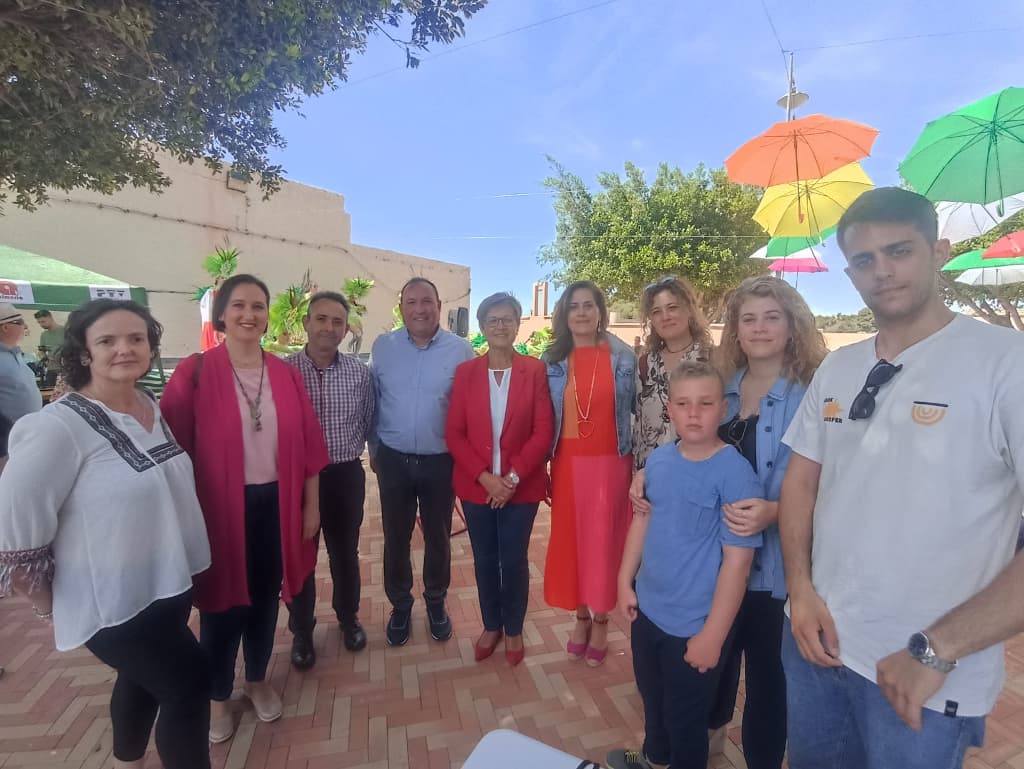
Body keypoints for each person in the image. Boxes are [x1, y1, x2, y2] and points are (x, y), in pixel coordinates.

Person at [779, 187, 1024, 769]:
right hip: (818, 643)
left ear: (938, 251)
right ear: (849, 272)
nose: (882, 272)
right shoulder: (839, 365)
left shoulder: (1005, 363)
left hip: (926, 676)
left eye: (899, 251)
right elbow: (800, 484)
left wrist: (936, 650)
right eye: (864, 261)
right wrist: (800, 591)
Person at [0, 299, 212, 769]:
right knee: (190, 682)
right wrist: (53, 606)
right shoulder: (56, 428)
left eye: (137, 339)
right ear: (83, 353)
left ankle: (125, 761)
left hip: (165, 585)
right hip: (110, 602)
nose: (125, 349)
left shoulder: (148, 406)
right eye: (107, 341)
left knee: (140, 681)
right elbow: (16, 537)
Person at [161, 274, 329, 744]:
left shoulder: (284, 373)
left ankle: (256, 679)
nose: (249, 315)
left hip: (278, 504)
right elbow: (172, 454)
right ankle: (218, 695)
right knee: (221, 605)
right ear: (222, 313)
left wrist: (310, 506)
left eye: (259, 305)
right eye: (239, 305)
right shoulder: (193, 373)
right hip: (217, 511)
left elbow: (310, 446)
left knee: (263, 599)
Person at [606, 361, 763, 769]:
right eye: (683, 403)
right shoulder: (658, 461)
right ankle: (653, 758)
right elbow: (642, 520)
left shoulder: (734, 473)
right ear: (669, 409)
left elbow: (738, 565)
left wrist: (713, 636)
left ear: (723, 409)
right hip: (650, 613)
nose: (693, 413)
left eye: (705, 403)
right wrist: (625, 582)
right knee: (653, 704)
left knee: (685, 722)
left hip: (694, 624)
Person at [708, 276, 826, 767]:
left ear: (792, 324)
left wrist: (777, 511)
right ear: (734, 329)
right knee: (711, 668)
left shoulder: (814, 395)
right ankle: (703, 753)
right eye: (748, 318)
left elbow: (839, 485)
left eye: (771, 317)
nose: (759, 328)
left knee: (767, 686)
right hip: (715, 563)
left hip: (777, 574)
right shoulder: (721, 392)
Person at [446, 292, 554, 666]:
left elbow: (543, 431)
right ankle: (491, 625)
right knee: (484, 559)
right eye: (492, 319)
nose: (500, 325)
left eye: (508, 318)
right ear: (481, 327)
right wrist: (485, 478)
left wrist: (509, 479)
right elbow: (454, 433)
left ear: (518, 324)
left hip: (520, 488)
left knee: (515, 559)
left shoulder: (534, 370)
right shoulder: (465, 374)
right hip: (476, 487)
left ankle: (513, 629)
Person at [369, 277, 474, 646]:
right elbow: (374, 401)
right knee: (395, 538)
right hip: (393, 460)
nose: (419, 308)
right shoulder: (383, 347)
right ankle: (400, 606)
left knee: (438, 536)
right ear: (401, 308)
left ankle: (435, 602)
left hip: (440, 462)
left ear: (438, 306)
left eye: (426, 301)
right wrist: (375, 451)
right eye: (410, 301)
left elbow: (470, 409)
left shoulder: (461, 351)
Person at [543, 280, 636, 667]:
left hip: (611, 464)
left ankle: (600, 620)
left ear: (600, 311)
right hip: (567, 465)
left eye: (588, 305)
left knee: (603, 543)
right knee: (573, 543)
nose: (581, 313)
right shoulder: (553, 359)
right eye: (573, 306)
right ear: (565, 315)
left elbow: (639, 410)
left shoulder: (623, 357)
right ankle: (579, 618)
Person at [284, 291, 374, 670]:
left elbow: (368, 420)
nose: (328, 327)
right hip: (296, 480)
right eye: (321, 319)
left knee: (345, 554)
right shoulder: (283, 372)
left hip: (343, 475)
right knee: (300, 557)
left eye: (337, 321)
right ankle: (302, 632)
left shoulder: (359, 372)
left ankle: (347, 619)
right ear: (306, 323)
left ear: (345, 328)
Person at [633, 276, 713, 470]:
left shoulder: (711, 360)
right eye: (656, 311)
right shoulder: (645, 364)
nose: (665, 316)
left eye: (673, 307)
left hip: (698, 473)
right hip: (650, 477)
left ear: (689, 310)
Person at [0, 304, 42, 422]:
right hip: (8, 436)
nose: (25, 326)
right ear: (5, 327)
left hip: (28, 432)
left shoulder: (15, 354)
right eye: (20, 322)